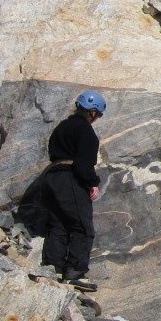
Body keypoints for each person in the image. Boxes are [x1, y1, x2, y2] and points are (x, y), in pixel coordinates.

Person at [40, 90, 106, 292]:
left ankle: (53, 269)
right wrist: (92, 183)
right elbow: (83, 165)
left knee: (58, 225)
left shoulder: (63, 127)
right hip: (70, 178)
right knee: (82, 226)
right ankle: (75, 273)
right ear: (93, 112)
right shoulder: (85, 131)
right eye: (98, 115)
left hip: (51, 177)